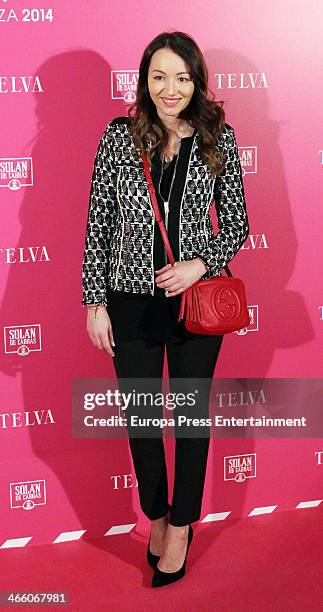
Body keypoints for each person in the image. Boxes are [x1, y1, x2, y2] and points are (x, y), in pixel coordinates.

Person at [82, 31, 249, 587]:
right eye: (159, 76)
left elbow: (239, 221)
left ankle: (182, 526)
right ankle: (155, 516)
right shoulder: (118, 138)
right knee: (142, 419)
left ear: (196, 81)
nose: (169, 88)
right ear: (144, 79)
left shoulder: (215, 136)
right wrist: (94, 302)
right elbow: (99, 223)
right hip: (129, 304)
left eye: (181, 77)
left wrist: (201, 263)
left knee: (192, 420)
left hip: (194, 308)